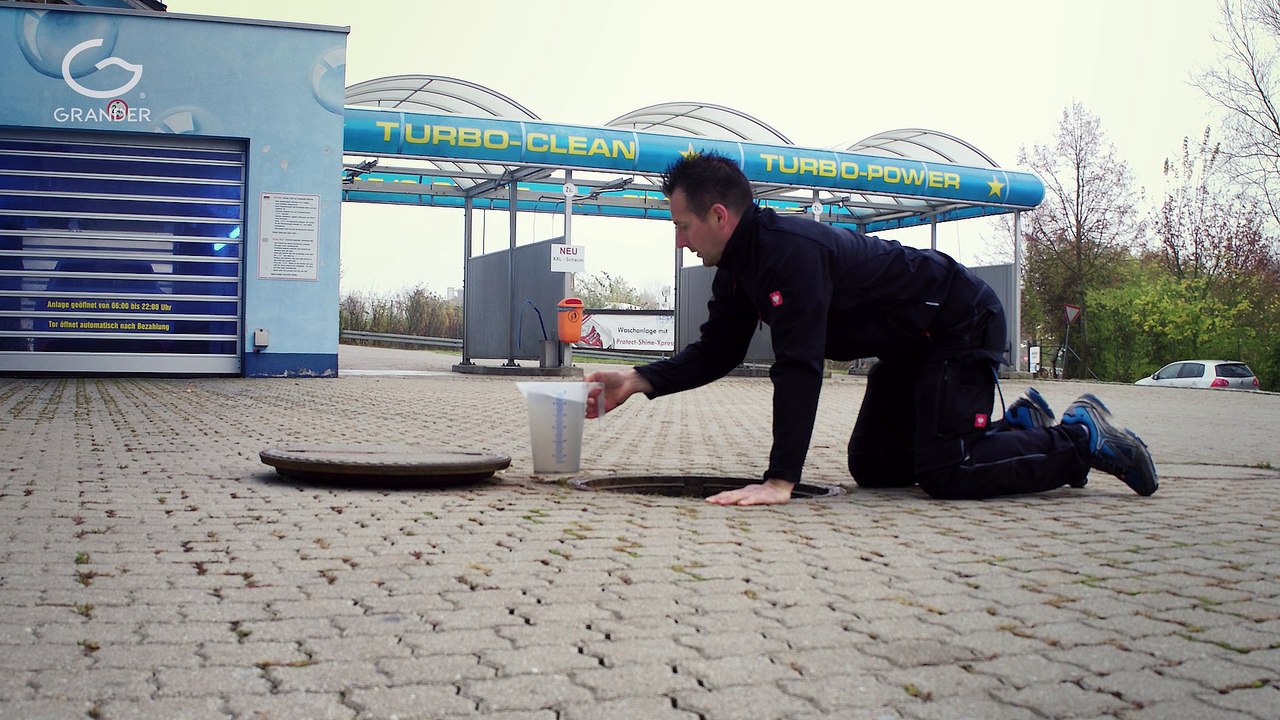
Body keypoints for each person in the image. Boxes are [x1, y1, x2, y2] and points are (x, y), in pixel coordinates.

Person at [584, 152, 1158, 506]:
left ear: (719, 216)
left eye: (682, 226)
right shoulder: (738, 269)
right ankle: (1017, 427)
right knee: (875, 467)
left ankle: (1079, 437)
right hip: (908, 346)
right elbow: (718, 351)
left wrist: (780, 480)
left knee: (946, 472)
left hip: (958, 323)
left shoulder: (790, 253)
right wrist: (636, 379)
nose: (679, 241)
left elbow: (800, 365)